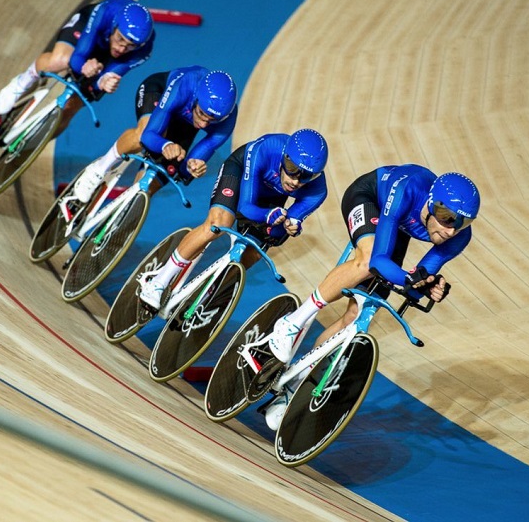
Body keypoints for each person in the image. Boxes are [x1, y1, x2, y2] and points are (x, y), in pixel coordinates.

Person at [260, 164, 481, 429]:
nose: (451, 231)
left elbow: (415, 280)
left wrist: (429, 286)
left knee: (355, 318)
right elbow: (378, 261)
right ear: (433, 204)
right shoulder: (408, 188)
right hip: (371, 198)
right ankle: (293, 322)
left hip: (397, 227)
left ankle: (294, 384)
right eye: (448, 218)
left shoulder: (458, 237)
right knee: (365, 263)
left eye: (463, 223)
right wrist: (413, 280)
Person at [136, 129, 330, 311]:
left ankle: (211, 293)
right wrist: (266, 216)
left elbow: (291, 221)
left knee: (254, 251)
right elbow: (245, 206)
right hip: (240, 175)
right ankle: (159, 281)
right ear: (284, 157)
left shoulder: (318, 190)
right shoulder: (268, 147)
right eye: (292, 169)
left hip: (270, 199)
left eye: (307, 176)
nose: (296, 181)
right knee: (218, 224)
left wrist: (291, 225)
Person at [71, 65, 238, 203]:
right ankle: (98, 169)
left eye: (211, 121)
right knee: (141, 136)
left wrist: (191, 167)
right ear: (196, 100)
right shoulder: (186, 85)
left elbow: (189, 166)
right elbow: (148, 136)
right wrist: (166, 144)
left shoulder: (227, 121)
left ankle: (122, 216)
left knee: (151, 187)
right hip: (159, 95)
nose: (203, 124)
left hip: (185, 123)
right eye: (202, 114)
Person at [0, 0, 154, 132]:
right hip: (90, 32)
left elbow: (112, 73)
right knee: (60, 61)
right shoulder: (106, 11)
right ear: (114, 27)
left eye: (130, 46)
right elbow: (77, 58)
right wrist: (84, 67)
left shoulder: (143, 50)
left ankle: (32, 146)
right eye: (120, 39)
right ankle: (21, 83)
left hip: (107, 58)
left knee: (72, 106)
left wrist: (102, 81)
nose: (122, 48)